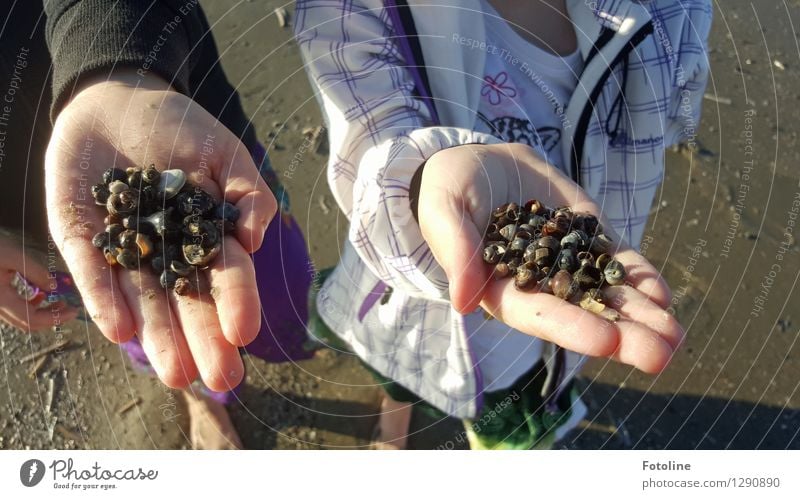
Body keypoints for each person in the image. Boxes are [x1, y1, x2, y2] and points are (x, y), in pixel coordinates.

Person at [296, 0, 711, 449]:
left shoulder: (674, 10)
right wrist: (417, 182)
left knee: (513, 420)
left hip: (537, 342)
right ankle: (395, 418)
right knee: (401, 372)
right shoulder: (349, 10)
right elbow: (369, 145)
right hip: (415, 312)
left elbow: (672, 114)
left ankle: (413, 424)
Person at [19, 0, 313, 448]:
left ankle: (282, 349)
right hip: (40, 229)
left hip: (193, 119)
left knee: (272, 294)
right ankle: (204, 398)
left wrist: (115, 70)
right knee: (135, 320)